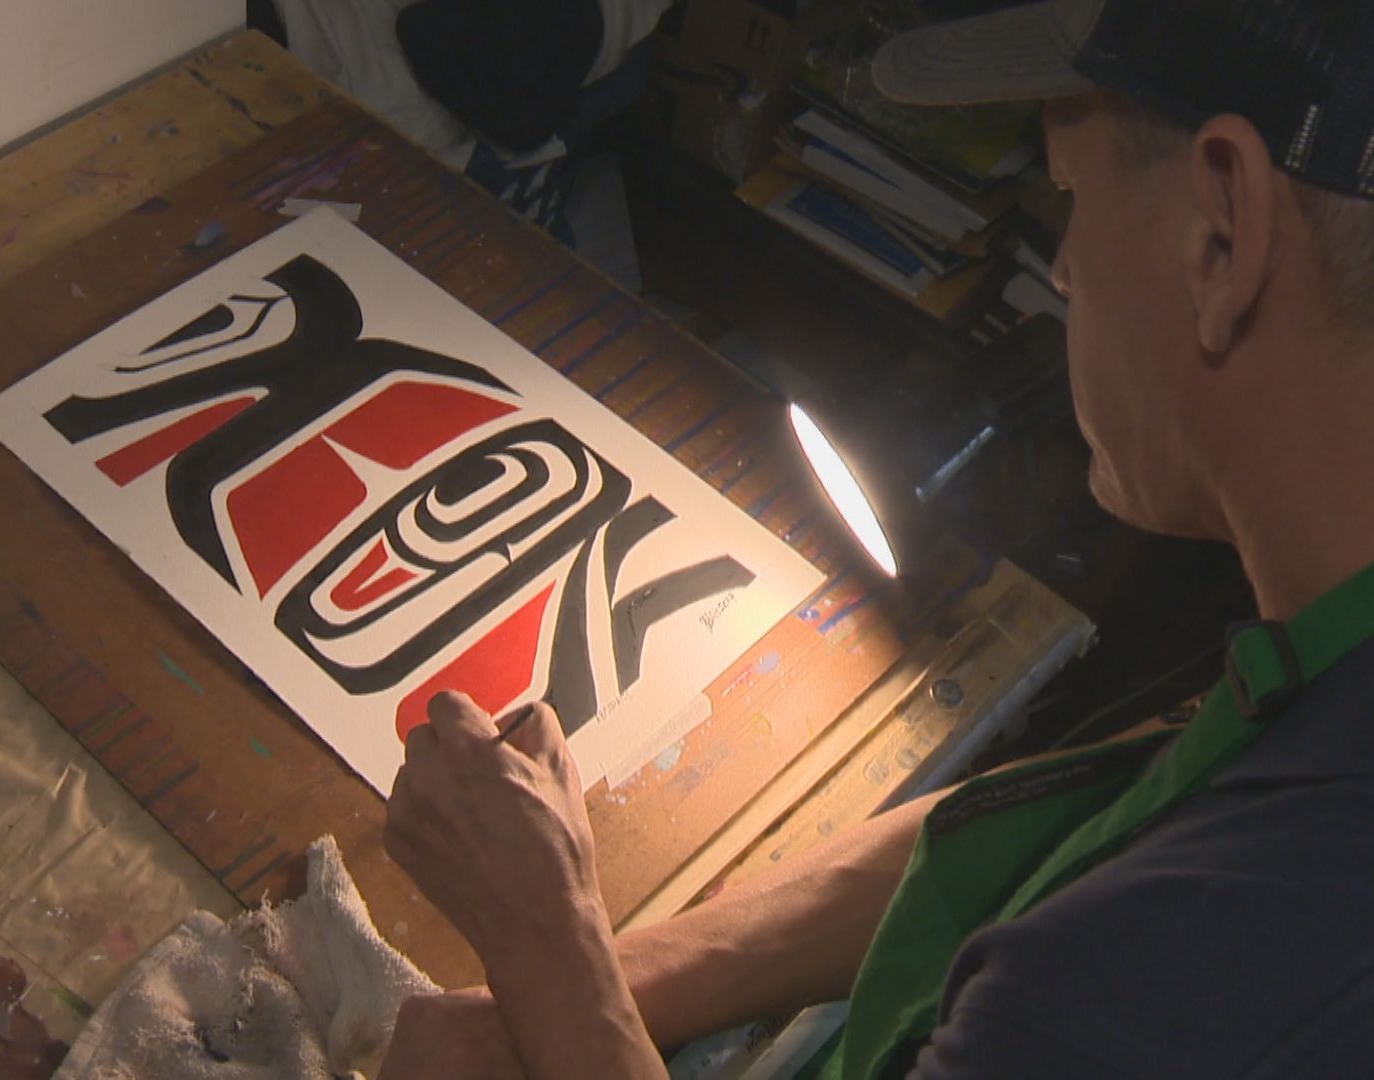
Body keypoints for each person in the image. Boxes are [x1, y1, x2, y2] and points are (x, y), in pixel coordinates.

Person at [378, 1, 1374, 1075]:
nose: (1066, 271)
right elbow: (1048, 822)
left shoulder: (1140, 993)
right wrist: (588, 985)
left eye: (1073, 195)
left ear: (1220, 235)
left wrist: (544, 936)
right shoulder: (1323, 642)